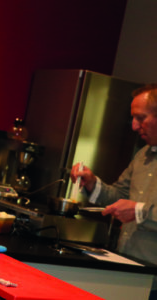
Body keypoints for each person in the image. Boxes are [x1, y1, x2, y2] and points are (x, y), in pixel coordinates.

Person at [71, 84, 157, 297]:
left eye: (141, 118)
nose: (134, 127)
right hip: (127, 269)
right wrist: (91, 183)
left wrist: (138, 211)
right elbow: (119, 196)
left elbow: (134, 208)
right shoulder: (143, 155)